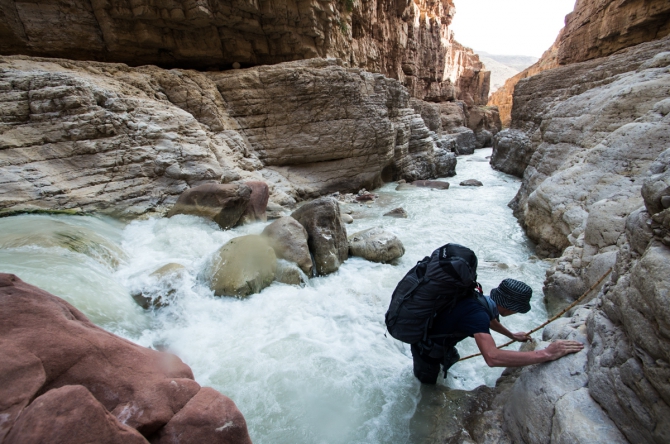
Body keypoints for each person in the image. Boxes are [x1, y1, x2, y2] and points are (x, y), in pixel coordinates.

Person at [411, 278, 584, 384]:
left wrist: (511, 336)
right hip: (425, 349)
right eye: (517, 309)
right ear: (509, 307)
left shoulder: (483, 300)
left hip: (439, 341)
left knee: (451, 358)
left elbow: (491, 320)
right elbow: (492, 358)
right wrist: (546, 354)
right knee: (427, 383)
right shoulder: (478, 315)